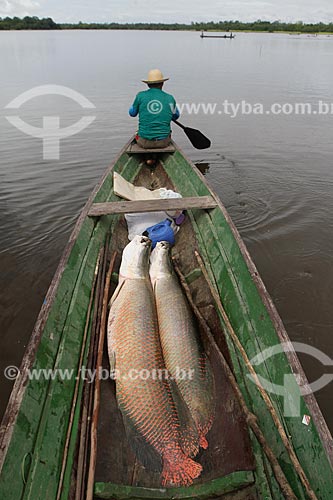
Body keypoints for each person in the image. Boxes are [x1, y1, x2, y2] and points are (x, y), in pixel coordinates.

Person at [129, 69, 180, 149]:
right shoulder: (170, 98)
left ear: (148, 84)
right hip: (164, 142)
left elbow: (132, 113)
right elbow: (176, 116)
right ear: (162, 83)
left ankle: (149, 159)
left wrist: (137, 105)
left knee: (138, 134)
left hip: (144, 142)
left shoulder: (140, 96)